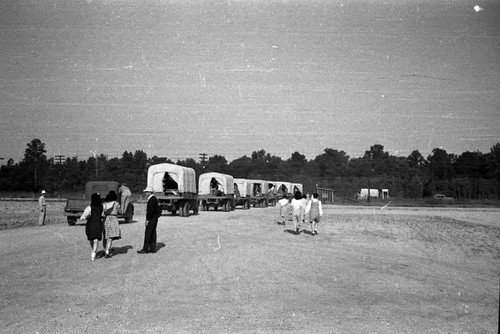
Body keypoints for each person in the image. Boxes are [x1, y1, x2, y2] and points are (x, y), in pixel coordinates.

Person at [80, 193, 104, 261]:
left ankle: (93, 252)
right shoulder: (102, 207)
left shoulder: (89, 208)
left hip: (90, 225)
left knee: (92, 239)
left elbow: (83, 217)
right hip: (98, 224)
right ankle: (93, 253)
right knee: (96, 240)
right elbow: (103, 215)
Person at [138, 187, 161, 254]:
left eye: (146, 192)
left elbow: (150, 211)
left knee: (148, 233)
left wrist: (147, 219)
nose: (145, 193)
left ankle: (145, 249)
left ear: (150, 192)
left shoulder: (151, 199)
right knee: (153, 233)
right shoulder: (154, 199)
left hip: (151, 219)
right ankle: (152, 249)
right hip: (154, 218)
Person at [102, 190, 121, 258]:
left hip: (106, 219)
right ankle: (107, 251)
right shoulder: (116, 204)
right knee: (110, 237)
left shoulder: (105, 204)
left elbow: (102, 213)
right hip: (113, 219)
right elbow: (120, 212)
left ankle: (104, 250)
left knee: (105, 235)